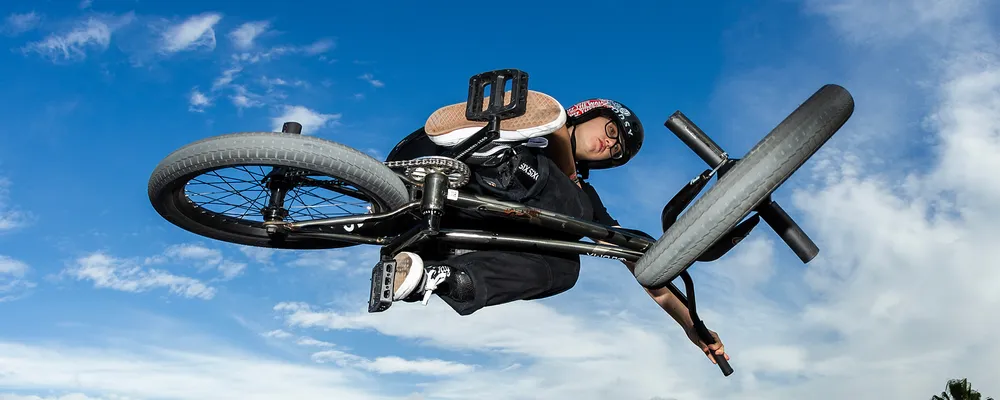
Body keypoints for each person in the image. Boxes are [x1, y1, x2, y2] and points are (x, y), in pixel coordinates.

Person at [383, 90, 729, 365]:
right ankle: (492, 152)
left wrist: (692, 325)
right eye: (610, 132)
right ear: (587, 113)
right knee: (573, 197)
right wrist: (566, 164)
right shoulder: (547, 131)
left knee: (565, 266)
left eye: (615, 151)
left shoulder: (583, 194)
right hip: (431, 158)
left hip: (429, 226)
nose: (608, 145)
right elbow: (559, 125)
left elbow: (640, 265)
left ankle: (438, 277)